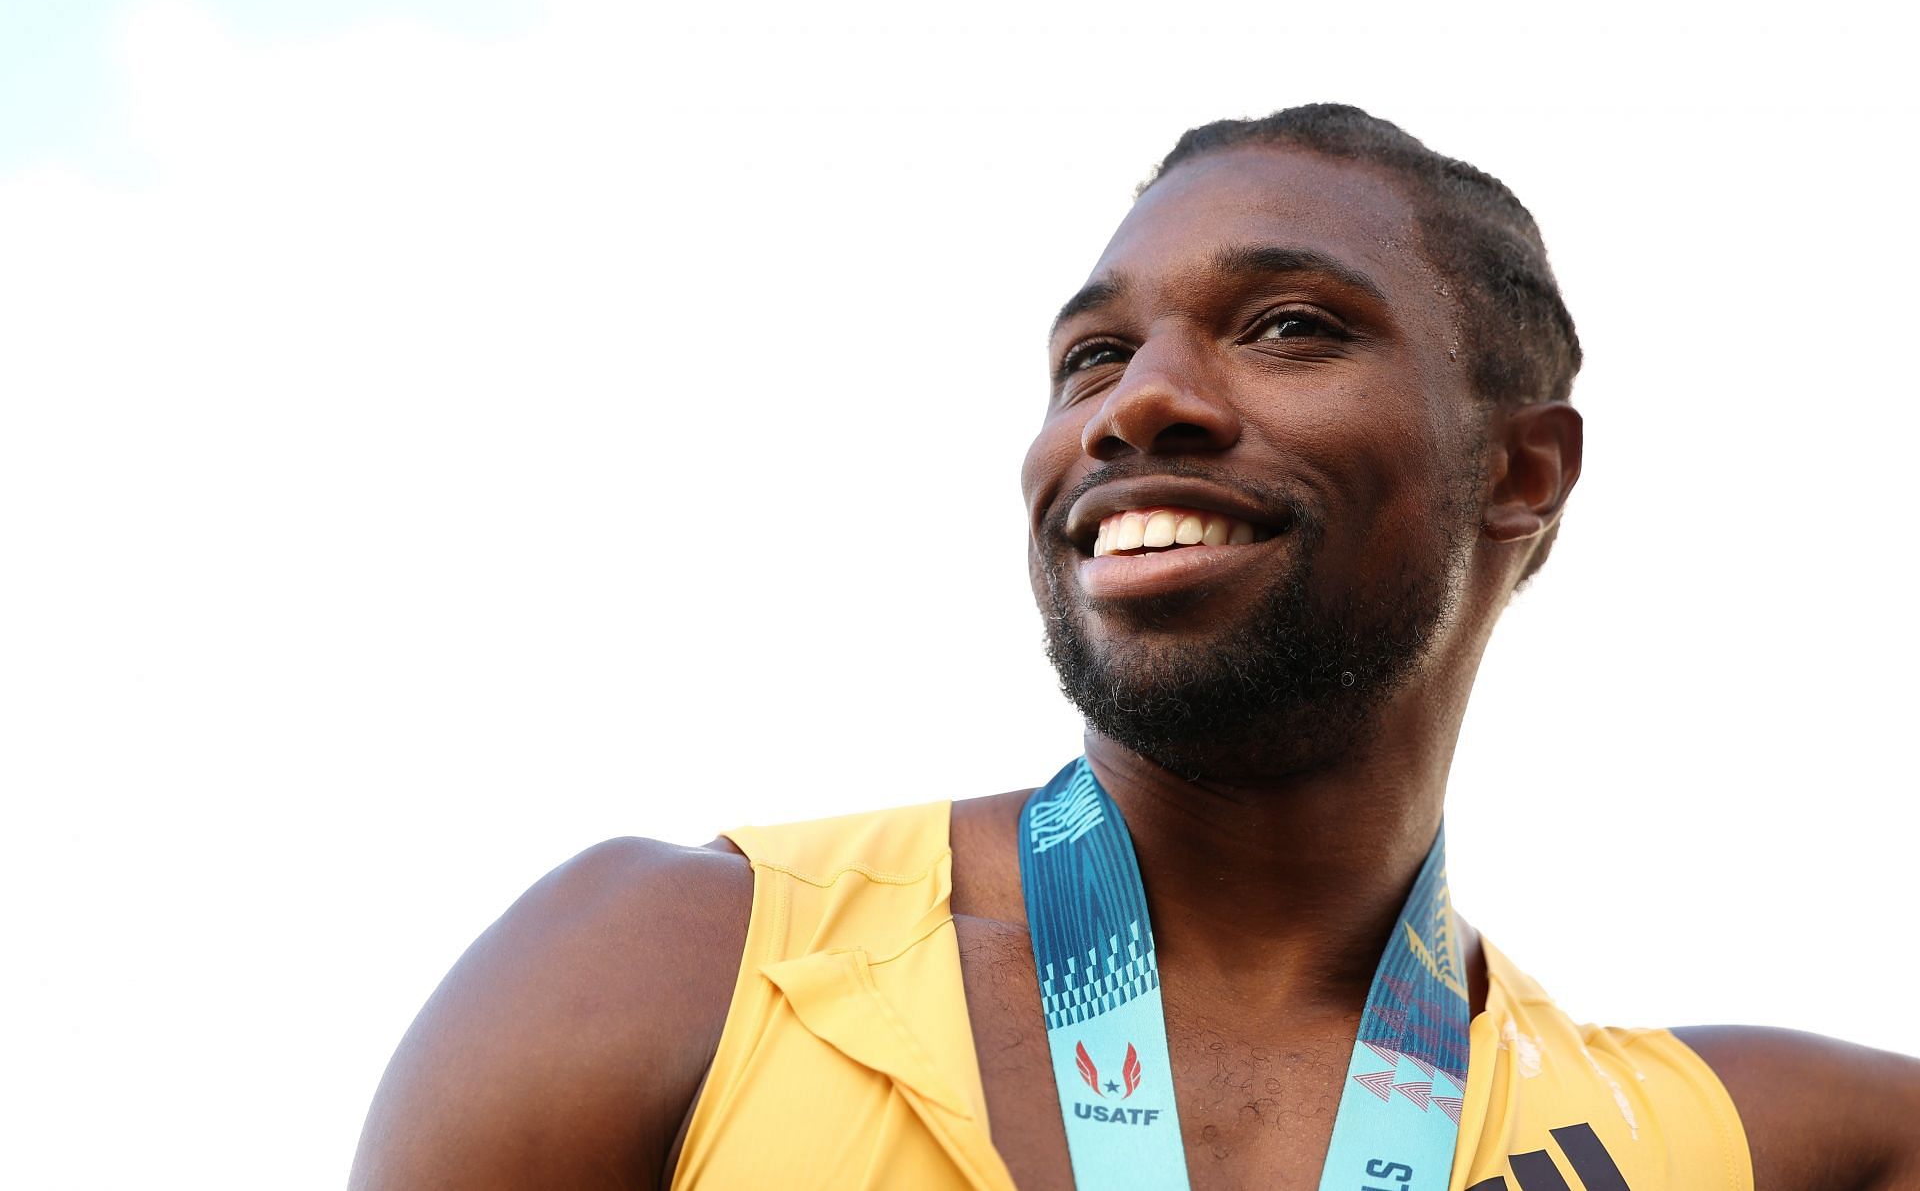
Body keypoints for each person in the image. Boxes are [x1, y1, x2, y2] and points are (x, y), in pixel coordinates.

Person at [348, 105, 1920, 1190]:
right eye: (1092, 354)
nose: (1132, 402)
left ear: (1521, 471)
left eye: (1290, 324)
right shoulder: (668, 965)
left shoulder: (1723, 1140)